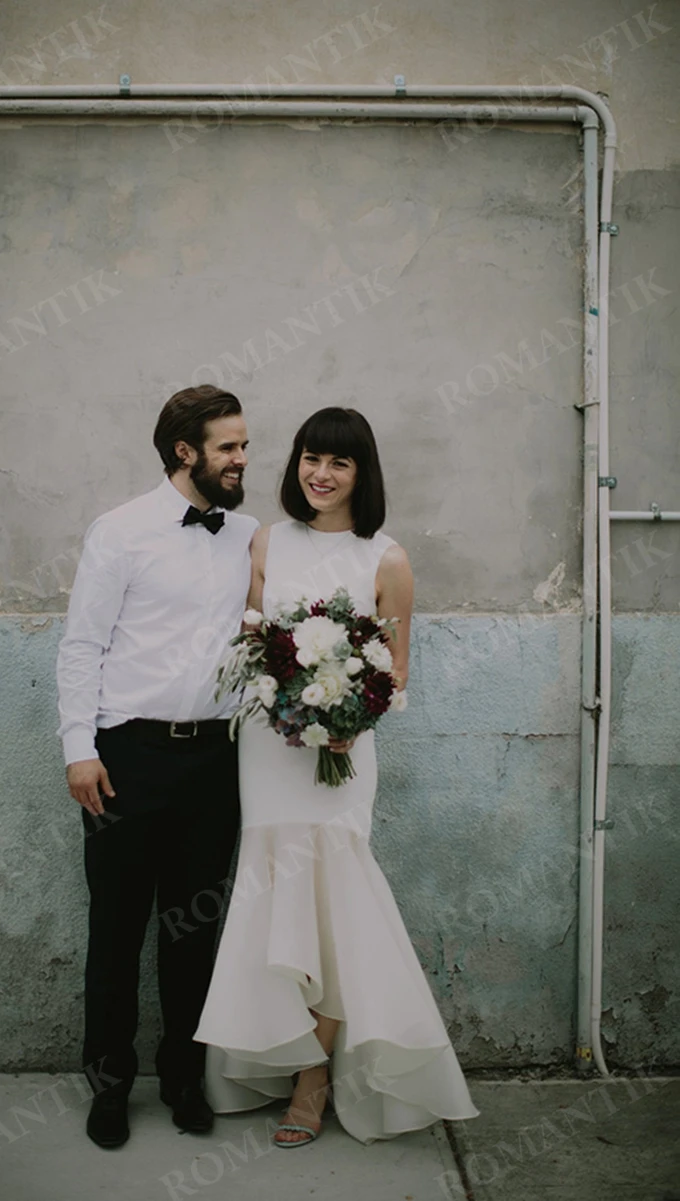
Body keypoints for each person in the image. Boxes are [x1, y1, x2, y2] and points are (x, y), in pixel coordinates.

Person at [194, 406, 480, 1146]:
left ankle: (313, 1079)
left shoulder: (385, 557)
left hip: (341, 757)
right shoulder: (267, 539)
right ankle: (272, 1048)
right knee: (271, 891)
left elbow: (396, 669)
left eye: (339, 463)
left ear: (362, 474)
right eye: (310, 458)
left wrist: (345, 719)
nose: (320, 474)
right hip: (267, 750)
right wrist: (281, 695)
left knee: (334, 904)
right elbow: (253, 644)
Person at [56, 385, 257, 1150]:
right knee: (116, 927)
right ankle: (109, 1084)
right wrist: (80, 747)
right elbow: (82, 644)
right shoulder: (120, 531)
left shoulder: (247, 535)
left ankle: (183, 1076)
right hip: (125, 758)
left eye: (243, 444)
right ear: (186, 451)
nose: (243, 459)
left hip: (215, 759)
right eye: (229, 447)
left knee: (195, 929)